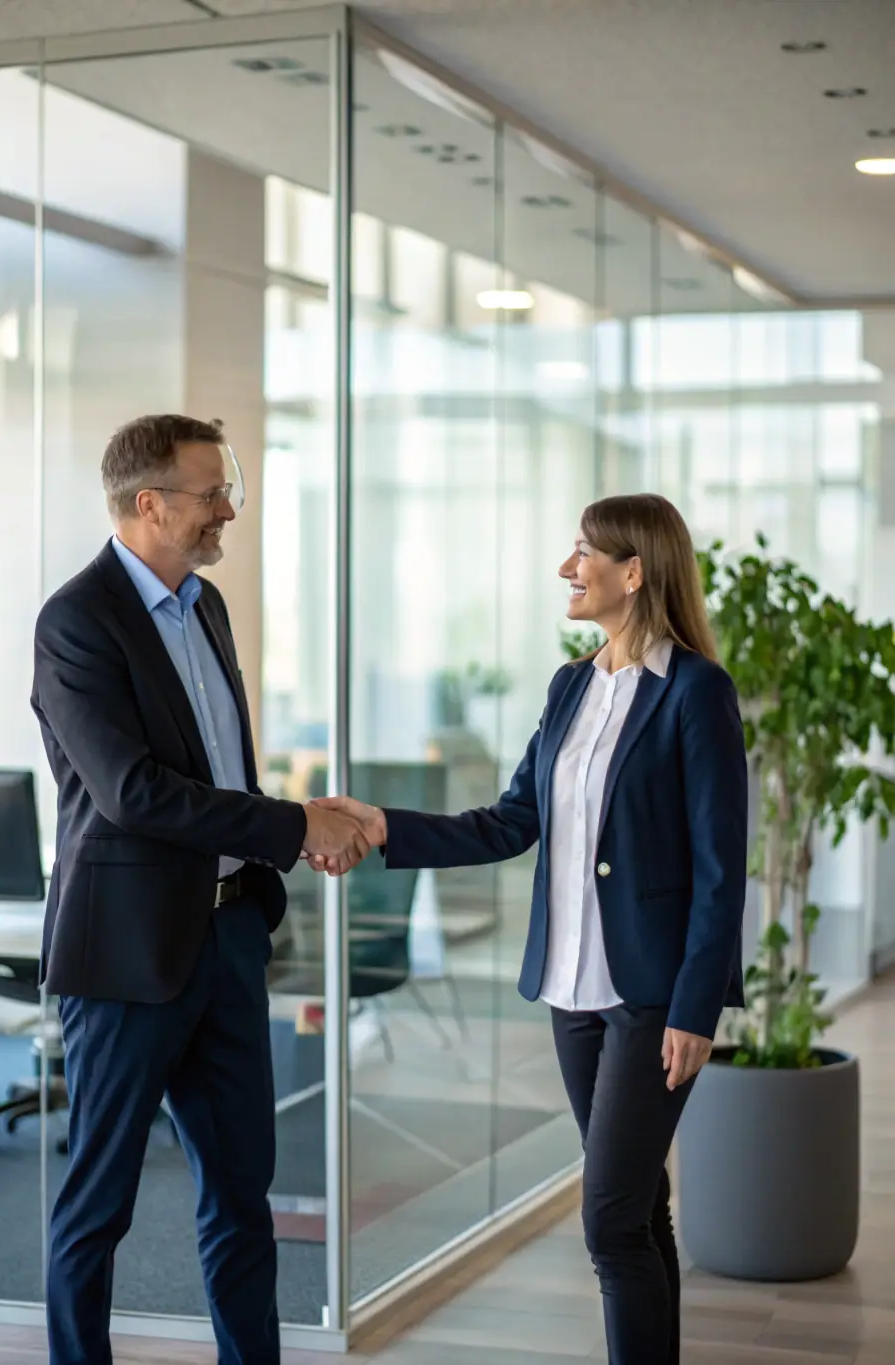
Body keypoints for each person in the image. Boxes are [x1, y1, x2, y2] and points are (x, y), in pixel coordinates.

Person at [311, 493, 748, 1365]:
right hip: (570, 991)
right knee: (637, 1208)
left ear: (635, 571)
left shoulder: (697, 692)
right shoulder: (571, 684)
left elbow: (720, 867)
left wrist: (698, 1006)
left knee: (608, 1221)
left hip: (652, 997)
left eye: (585, 551)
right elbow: (510, 821)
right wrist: (386, 825)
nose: (566, 567)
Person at [32, 414, 368, 1365]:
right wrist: (292, 827)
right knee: (99, 1205)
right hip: (127, 955)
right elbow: (135, 794)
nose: (228, 509)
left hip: (226, 941)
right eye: (211, 492)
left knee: (240, 1194)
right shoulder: (76, 621)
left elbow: (221, 774)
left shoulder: (207, 605)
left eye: (230, 489)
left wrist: (292, 827)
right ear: (148, 504)